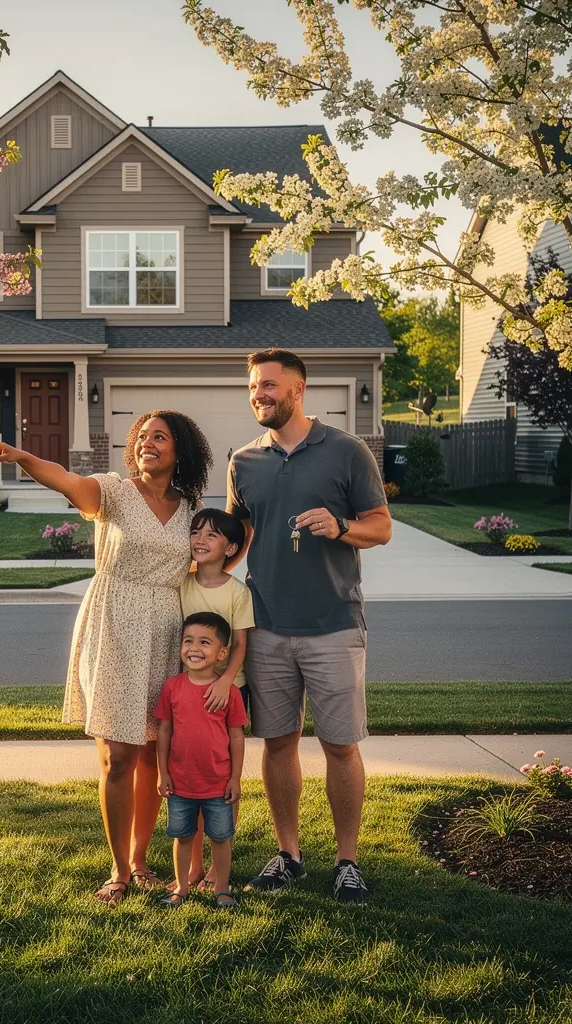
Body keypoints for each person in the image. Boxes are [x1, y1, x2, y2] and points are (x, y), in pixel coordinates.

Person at [0, 410, 212, 907]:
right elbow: (65, 479)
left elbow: (215, 556)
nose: (148, 444)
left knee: (154, 752)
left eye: (161, 437)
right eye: (142, 437)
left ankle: (140, 860)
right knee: (119, 755)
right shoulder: (112, 491)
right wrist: (23, 457)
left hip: (167, 630)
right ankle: (118, 871)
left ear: (180, 451)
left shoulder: (191, 507)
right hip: (114, 622)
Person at [226, 348, 391, 904]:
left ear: (297, 390)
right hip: (266, 626)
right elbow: (241, 536)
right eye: (253, 387)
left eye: (268, 385)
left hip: (334, 624)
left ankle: (348, 860)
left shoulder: (346, 451)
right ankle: (289, 853)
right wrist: (205, 579)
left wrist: (342, 525)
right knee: (278, 743)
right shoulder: (243, 460)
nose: (259, 395)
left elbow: (382, 528)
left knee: (340, 746)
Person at [177, 508, 255, 891]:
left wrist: (225, 683)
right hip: (189, 692)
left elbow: (240, 644)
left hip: (227, 693)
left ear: (231, 548)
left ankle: (216, 867)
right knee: (191, 777)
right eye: (196, 532)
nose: (200, 539)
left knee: (222, 779)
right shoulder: (182, 584)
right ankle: (192, 866)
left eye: (211, 535)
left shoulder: (237, 592)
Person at [155, 612, 247, 909]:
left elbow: (236, 737)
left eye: (204, 642)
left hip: (218, 785)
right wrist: (162, 773)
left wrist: (235, 778)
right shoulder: (173, 687)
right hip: (180, 783)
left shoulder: (229, 693)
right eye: (188, 641)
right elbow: (164, 730)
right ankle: (181, 887)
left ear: (222, 653)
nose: (194, 648)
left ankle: (222, 888)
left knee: (220, 838)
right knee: (183, 837)